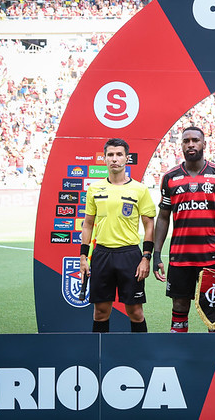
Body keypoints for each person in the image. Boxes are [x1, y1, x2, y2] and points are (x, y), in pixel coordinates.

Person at [153, 127, 215, 333]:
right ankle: (179, 357)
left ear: (204, 144)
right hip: (180, 258)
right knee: (179, 308)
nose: (191, 144)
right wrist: (156, 255)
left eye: (195, 140)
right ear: (181, 145)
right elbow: (163, 217)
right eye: (186, 141)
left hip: (212, 258)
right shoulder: (169, 177)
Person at [80, 138, 156, 333]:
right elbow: (87, 225)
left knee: (136, 312)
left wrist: (146, 257)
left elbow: (149, 225)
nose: (114, 159)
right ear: (104, 159)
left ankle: (139, 356)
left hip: (130, 255)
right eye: (110, 155)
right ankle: (99, 359)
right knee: (100, 312)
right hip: (102, 255)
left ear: (127, 158)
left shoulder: (140, 189)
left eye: (119, 154)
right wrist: (83, 257)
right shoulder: (94, 189)